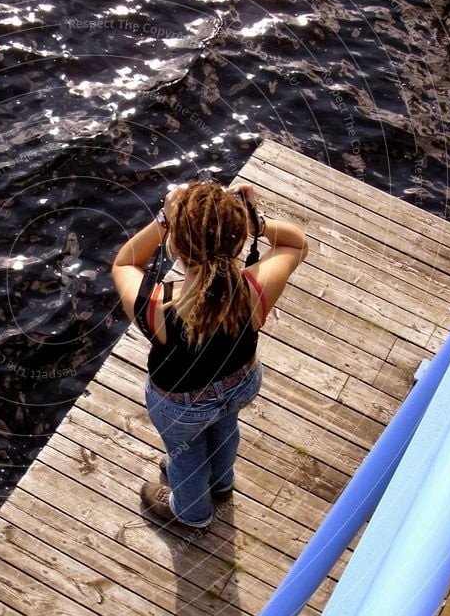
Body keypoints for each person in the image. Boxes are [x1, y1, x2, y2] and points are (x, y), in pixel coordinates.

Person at [111, 179, 308, 530]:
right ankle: (221, 483)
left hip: (180, 407)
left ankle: (192, 514)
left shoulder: (158, 307)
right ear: (239, 239)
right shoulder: (254, 290)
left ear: (176, 245)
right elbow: (296, 243)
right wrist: (255, 223)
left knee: (184, 456)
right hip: (240, 385)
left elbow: (125, 263)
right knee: (225, 425)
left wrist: (164, 218)